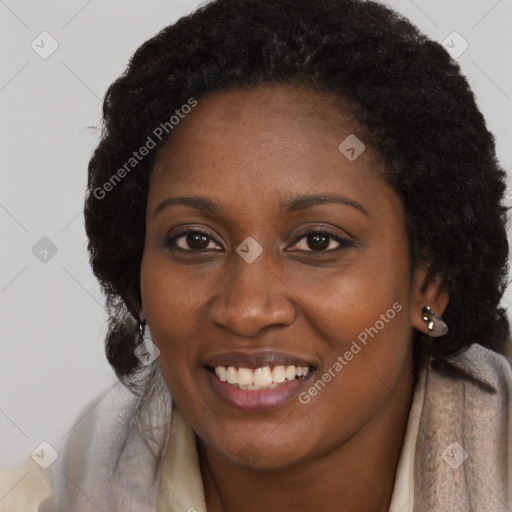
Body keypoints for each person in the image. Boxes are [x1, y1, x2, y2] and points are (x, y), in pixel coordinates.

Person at [1, 0, 511, 510]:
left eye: (318, 241)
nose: (246, 310)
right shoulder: (54, 495)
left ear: (432, 280)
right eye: (194, 240)